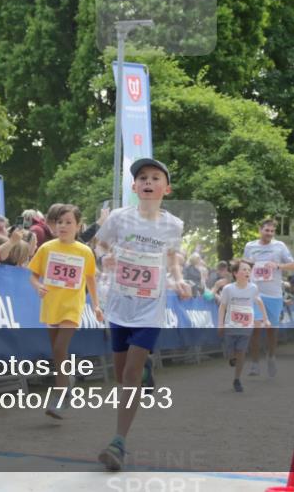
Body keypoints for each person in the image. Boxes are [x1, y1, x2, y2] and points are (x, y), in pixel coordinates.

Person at [94, 158, 189, 471]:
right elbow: (100, 245)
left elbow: (173, 256)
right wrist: (106, 256)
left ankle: (118, 441)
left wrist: (178, 278)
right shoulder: (120, 218)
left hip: (150, 308)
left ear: (166, 187)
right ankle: (144, 366)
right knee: (123, 376)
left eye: (155, 177)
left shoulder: (172, 225)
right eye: (143, 178)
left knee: (131, 375)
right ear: (134, 187)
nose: (148, 182)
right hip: (120, 305)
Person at [28, 203, 103, 418]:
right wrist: (37, 285)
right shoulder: (47, 248)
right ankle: (67, 385)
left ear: (78, 226)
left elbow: (90, 279)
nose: (63, 226)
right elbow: (32, 274)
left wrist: (96, 305)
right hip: (52, 305)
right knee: (57, 352)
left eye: (68, 222)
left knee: (61, 348)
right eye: (60, 222)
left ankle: (60, 397)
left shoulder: (85, 251)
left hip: (72, 306)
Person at [242, 219, 294, 377]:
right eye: (267, 230)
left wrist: (278, 266)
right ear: (260, 230)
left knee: (272, 331)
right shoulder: (250, 246)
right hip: (255, 294)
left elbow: (293, 265)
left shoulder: (280, 246)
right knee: (255, 330)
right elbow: (245, 265)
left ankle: (271, 357)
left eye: (272, 231)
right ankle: (254, 363)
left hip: (274, 295)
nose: (270, 234)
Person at [217, 258, 268, 393]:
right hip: (230, 326)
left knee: (241, 353)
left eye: (249, 270)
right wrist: (220, 324)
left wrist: (265, 319)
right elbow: (222, 307)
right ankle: (231, 357)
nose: (247, 272)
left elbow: (260, 302)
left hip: (246, 327)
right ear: (235, 273)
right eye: (244, 270)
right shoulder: (228, 289)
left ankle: (237, 379)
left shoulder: (253, 288)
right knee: (230, 352)